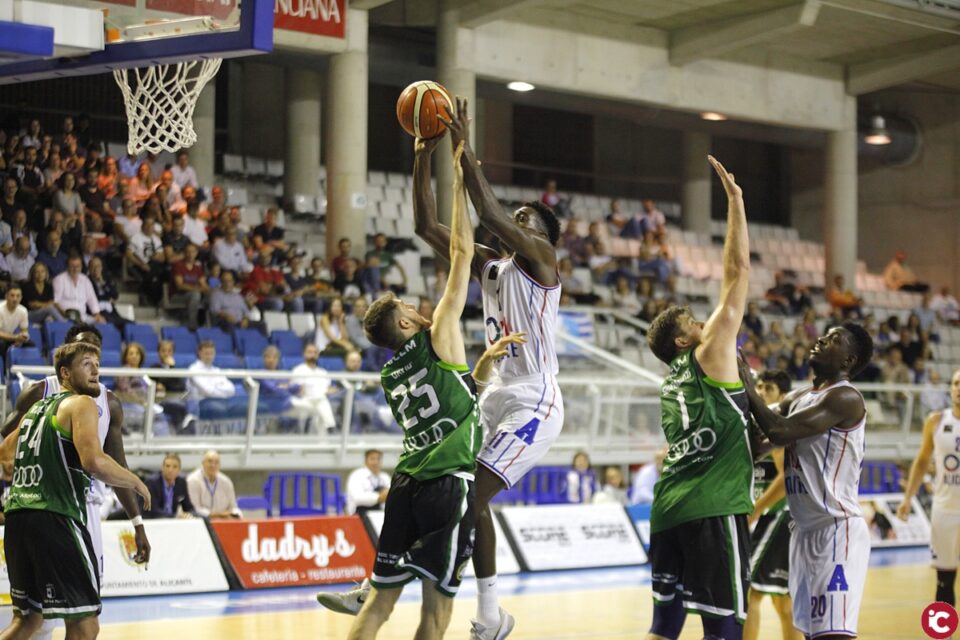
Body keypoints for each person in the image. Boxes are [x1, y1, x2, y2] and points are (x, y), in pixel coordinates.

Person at [417, 98, 564, 638]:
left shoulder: (544, 262)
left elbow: (493, 214)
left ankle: (487, 614)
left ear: (543, 236)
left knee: (474, 495)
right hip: (496, 390)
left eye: (526, 220)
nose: (516, 223)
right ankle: (489, 614)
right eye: (518, 219)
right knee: (457, 492)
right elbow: (424, 224)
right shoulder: (491, 265)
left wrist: (465, 150)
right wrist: (422, 154)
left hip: (535, 399)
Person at [327, 142, 485, 640]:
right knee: (435, 616)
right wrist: (460, 179)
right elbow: (461, 253)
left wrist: (480, 369)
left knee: (376, 606)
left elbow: (453, 399)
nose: (419, 306)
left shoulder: (393, 373)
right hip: (445, 488)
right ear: (404, 321)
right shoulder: (440, 334)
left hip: (405, 487)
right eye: (407, 305)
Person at [643, 156, 753, 640]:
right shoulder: (710, 354)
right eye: (694, 323)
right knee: (723, 631)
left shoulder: (671, 381)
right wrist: (735, 203)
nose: (704, 321)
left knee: (663, 629)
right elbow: (738, 271)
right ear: (686, 342)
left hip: (667, 512)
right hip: (711, 511)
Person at [0, 323, 150, 640]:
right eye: (87, 363)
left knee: (27, 622)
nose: (95, 370)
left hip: (18, 517)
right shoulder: (81, 403)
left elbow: (4, 452)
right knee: (85, 625)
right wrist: (136, 481)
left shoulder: (37, 409)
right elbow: (95, 461)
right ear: (66, 372)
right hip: (59, 515)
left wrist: (20, 468)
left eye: (97, 362)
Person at [739, 322, 875, 640]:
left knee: (833, 636)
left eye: (834, 339)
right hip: (803, 533)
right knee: (812, 634)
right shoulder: (799, 398)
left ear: (848, 360)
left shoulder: (845, 398)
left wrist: (747, 383)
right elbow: (760, 442)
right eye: (824, 334)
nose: (822, 340)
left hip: (836, 530)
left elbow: (779, 431)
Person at [743, 370, 801, 640]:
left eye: (769, 388)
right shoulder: (755, 422)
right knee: (782, 602)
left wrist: (755, 510)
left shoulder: (775, 424)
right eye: (760, 387)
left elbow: (785, 478)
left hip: (776, 514)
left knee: (749, 592)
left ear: (782, 396)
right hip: (777, 517)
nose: (762, 392)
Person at [896, 368, 960, 608]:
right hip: (944, 510)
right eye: (955, 383)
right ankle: (943, 635)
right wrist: (907, 498)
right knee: (944, 581)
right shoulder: (936, 420)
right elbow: (922, 461)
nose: (958, 388)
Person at [290, 343, 337, 433]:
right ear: (304, 354)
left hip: (321, 400)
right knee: (321, 403)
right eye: (309, 352)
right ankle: (331, 426)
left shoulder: (323, 372)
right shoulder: (298, 370)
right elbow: (297, 390)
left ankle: (323, 442)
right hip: (304, 400)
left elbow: (329, 388)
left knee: (321, 406)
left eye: (315, 352)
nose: (312, 355)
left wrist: (331, 391)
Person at [186, 450, 242, 519]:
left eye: (216, 462)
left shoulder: (226, 482)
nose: (213, 465)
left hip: (223, 522)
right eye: (210, 461)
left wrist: (235, 514)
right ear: (203, 463)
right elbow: (194, 509)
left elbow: (233, 507)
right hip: (200, 522)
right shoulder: (193, 480)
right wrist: (219, 515)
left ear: (220, 465)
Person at [52, 254, 105, 323]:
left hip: (83, 317)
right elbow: (55, 302)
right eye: (72, 266)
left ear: (81, 267)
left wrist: (97, 314)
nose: (75, 269)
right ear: (67, 267)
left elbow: (92, 299)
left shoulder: (85, 280)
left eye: (78, 266)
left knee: (101, 322)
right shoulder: (59, 280)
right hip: (64, 317)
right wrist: (65, 314)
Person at [145, 453, 196, 518]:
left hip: (172, 522)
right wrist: (175, 516)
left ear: (179, 470)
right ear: (162, 467)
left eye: (174, 467)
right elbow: (152, 511)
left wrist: (190, 515)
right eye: (167, 466)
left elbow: (189, 507)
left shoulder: (181, 483)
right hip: (155, 522)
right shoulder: (152, 483)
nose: (170, 470)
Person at [345, 449, 391, 516]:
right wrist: (379, 497)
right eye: (372, 459)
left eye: (378, 459)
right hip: (359, 515)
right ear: (365, 461)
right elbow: (357, 498)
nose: (376, 462)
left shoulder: (385, 477)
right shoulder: (357, 475)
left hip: (381, 514)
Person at [0, 284, 29, 358]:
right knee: (2, 344)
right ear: (6, 296)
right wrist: (15, 337)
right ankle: (4, 369)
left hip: (11, 337)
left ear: (21, 298)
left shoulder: (23, 311)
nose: (15, 299)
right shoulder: (0, 309)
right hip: (3, 338)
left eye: (18, 296)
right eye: (12, 295)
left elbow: (24, 331)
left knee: (30, 344)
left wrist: (22, 338)